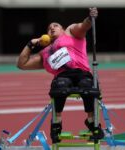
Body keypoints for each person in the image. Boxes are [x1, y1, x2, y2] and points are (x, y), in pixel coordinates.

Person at [17, 7, 104, 143]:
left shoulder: (70, 32)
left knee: (87, 86)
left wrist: (89, 18)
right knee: (59, 86)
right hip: (63, 76)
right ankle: (56, 125)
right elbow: (22, 64)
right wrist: (31, 44)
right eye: (49, 28)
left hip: (82, 73)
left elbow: (83, 26)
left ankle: (92, 123)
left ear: (62, 29)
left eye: (56, 26)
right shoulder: (44, 53)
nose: (52, 28)